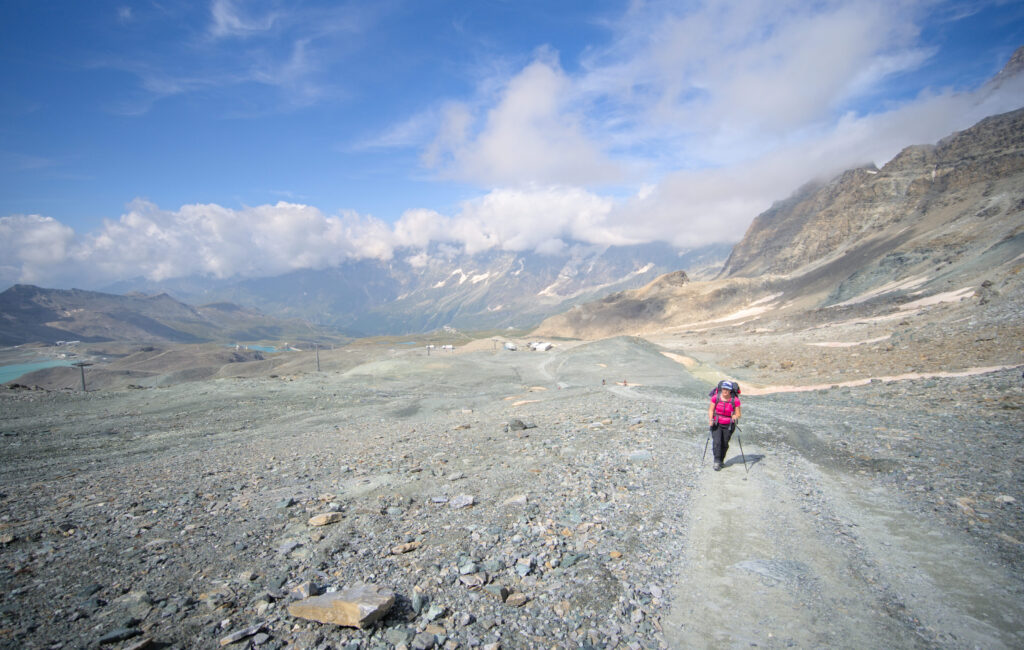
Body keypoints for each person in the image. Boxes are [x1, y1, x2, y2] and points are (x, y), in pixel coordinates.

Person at [708, 380, 741, 471]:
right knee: (717, 442)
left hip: (729, 424)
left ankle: (721, 460)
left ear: (730, 390)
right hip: (717, 423)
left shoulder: (735, 400)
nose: (725, 391)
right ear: (721, 389)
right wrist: (711, 419)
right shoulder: (716, 397)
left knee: (725, 443)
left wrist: (735, 416)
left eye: (727, 389)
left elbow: (738, 414)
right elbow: (711, 410)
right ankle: (717, 461)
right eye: (723, 389)